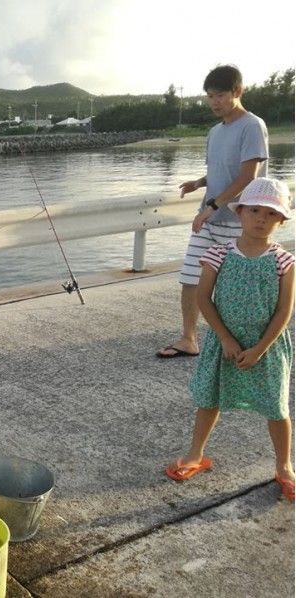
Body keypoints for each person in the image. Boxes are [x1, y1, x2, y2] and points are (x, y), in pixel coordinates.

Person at [165, 178, 294, 502]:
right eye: (254, 210)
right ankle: (196, 454)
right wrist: (224, 338)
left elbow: (283, 312)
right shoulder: (218, 254)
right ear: (240, 213)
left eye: (270, 213)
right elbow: (205, 299)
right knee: (209, 400)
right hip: (223, 345)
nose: (261, 218)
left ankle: (284, 465)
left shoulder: (284, 260)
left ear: (281, 220)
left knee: (277, 408)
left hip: (267, 347)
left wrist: (260, 348)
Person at [157, 64, 268, 358]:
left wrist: (212, 205)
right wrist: (199, 182)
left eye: (220, 95)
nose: (214, 102)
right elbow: (222, 170)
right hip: (209, 218)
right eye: (210, 96)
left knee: (238, 285)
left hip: (238, 220)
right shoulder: (215, 132)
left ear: (238, 91)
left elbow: (247, 177)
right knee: (190, 277)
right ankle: (188, 339)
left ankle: (248, 342)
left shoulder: (252, 126)